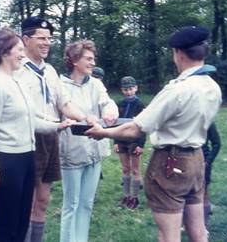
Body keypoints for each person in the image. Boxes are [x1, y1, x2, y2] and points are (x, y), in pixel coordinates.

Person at [86, 26, 222, 242]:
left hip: (171, 162)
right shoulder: (213, 87)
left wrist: (103, 132)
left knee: (168, 235)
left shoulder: (178, 89)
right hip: (197, 159)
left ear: (178, 53)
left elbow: (135, 128)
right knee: (199, 232)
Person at [0, 28, 72, 242]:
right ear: (5, 52)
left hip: (26, 157)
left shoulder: (17, 80)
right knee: (7, 224)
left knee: (22, 222)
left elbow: (31, 120)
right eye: (19, 49)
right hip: (7, 162)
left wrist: (57, 126)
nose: (23, 54)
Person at [17, 17, 90, 242]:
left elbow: (64, 104)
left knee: (43, 200)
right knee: (26, 202)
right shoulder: (17, 70)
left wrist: (87, 118)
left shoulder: (50, 71)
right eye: (41, 38)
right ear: (26, 39)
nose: (47, 43)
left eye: (49, 38)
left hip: (52, 139)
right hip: (28, 140)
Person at [59, 40, 118, 242]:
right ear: (75, 60)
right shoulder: (60, 85)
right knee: (71, 205)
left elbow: (107, 102)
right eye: (89, 58)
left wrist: (111, 110)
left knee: (87, 203)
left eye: (94, 59)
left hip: (96, 151)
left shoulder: (96, 84)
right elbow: (65, 109)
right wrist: (85, 117)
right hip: (72, 152)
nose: (93, 63)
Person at [114, 76, 146, 209]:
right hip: (121, 140)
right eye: (125, 89)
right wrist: (115, 141)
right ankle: (126, 195)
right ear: (122, 90)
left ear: (136, 88)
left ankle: (135, 197)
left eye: (131, 89)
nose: (128, 92)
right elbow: (115, 124)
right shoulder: (119, 104)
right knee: (125, 168)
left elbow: (144, 126)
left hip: (134, 141)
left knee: (135, 169)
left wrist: (141, 144)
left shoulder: (140, 105)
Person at [202, 122, 221, 227]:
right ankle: (187, 224)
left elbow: (217, 143)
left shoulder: (207, 121)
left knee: (204, 194)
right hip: (185, 162)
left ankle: (204, 225)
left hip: (203, 161)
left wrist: (208, 161)